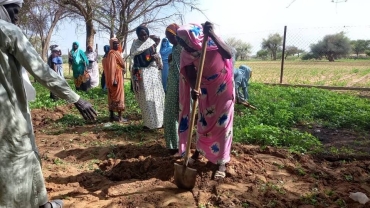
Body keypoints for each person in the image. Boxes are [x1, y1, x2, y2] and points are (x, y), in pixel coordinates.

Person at [0, 1, 97, 207]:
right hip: (9, 112)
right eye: (14, 11)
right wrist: (76, 99)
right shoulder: (8, 31)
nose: (17, 16)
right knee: (21, 156)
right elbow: (42, 72)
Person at [177, 22, 234, 179]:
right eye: (181, 43)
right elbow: (190, 75)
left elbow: (228, 54)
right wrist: (195, 89)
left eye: (185, 43)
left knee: (223, 124)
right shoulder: (186, 53)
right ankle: (200, 150)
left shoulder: (210, 42)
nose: (184, 47)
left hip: (223, 86)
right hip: (204, 88)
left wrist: (213, 34)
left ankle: (221, 162)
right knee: (204, 121)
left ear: (193, 38)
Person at [130, 25, 165, 130]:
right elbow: (134, 63)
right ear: (137, 35)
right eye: (141, 35)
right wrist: (135, 80)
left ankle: (160, 122)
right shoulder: (135, 46)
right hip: (142, 75)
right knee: (146, 100)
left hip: (154, 74)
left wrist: (157, 58)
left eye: (145, 35)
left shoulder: (152, 44)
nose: (144, 37)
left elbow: (159, 62)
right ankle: (149, 124)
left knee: (157, 98)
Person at [163, 23, 180, 155]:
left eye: (171, 37)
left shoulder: (181, 48)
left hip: (181, 87)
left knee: (177, 115)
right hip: (173, 85)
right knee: (170, 115)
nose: (169, 40)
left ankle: (177, 146)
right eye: (167, 38)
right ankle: (174, 145)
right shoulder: (175, 48)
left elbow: (182, 71)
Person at [103, 37, 127, 122]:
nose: (117, 45)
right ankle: (119, 117)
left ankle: (112, 116)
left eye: (117, 43)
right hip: (116, 78)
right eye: (115, 43)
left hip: (118, 76)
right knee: (118, 96)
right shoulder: (112, 54)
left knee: (113, 96)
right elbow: (111, 68)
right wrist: (113, 80)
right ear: (111, 45)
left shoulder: (117, 53)